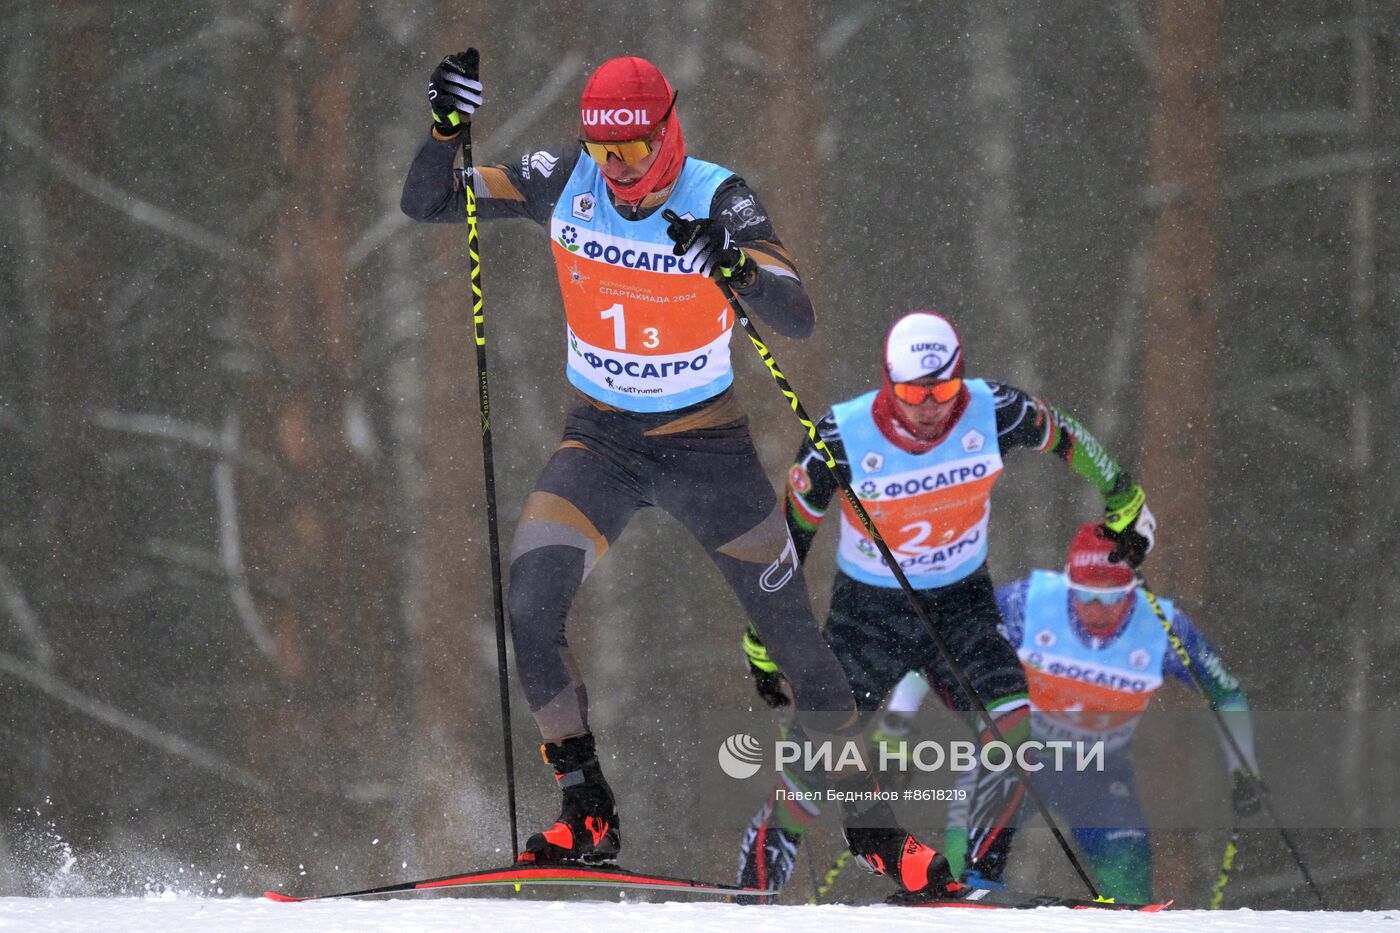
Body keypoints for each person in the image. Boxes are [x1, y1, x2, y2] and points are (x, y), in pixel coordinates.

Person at [400, 52, 958, 896]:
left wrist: (732, 266)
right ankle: (586, 806)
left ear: (666, 133)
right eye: (602, 148)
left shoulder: (719, 196)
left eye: (630, 150)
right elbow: (430, 199)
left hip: (707, 448)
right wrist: (447, 128)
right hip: (600, 443)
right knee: (529, 602)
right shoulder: (565, 179)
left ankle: (876, 832)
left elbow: (794, 311)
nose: (615, 169)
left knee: (794, 643)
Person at [737, 310, 1158, 897]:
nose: (930, 405)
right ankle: (757, 876)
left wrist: (1123, 497)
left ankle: (976, 883)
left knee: (1013, 727)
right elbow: (788, 543)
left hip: (961, 606)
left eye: (944, 388)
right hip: (870, 615)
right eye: (913, 391)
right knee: (817, 759)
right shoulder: (842, 435)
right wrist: (763, 639)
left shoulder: (994, 410)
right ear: (889, 382)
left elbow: (1066, 436)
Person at [881, 523, 1258, 903]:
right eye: (1084, 595)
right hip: (1016, 755)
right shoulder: (1027, 603)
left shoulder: (1163, 626)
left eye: (1112, 599)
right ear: (1068, 580)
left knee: (1129, 871)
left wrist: (1244, 768)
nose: (1096, 611)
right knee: (962, 859)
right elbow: (936, 653)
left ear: (1133, 589)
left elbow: (1226, 694)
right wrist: (896, 725)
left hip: (1098, 766)